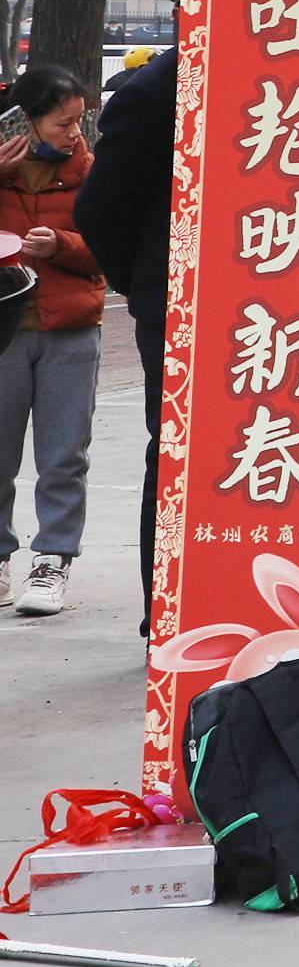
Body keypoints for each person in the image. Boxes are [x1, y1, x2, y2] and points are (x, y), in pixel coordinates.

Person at [64, 44, 174, 626]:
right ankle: (167, 609)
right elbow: (99, 209)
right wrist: (144, 284)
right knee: (179, 454)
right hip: (181, 311)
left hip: (276, 309)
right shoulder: (157, 90)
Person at [1, 67, 98, 619]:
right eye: (63, 122)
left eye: (78, 121)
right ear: (28, 120)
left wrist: (60, 245)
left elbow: (108, 244)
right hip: (6, 333)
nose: (73, 132)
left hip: (71, 329)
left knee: (64, 456)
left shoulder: (90, 172)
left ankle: (54, 559)